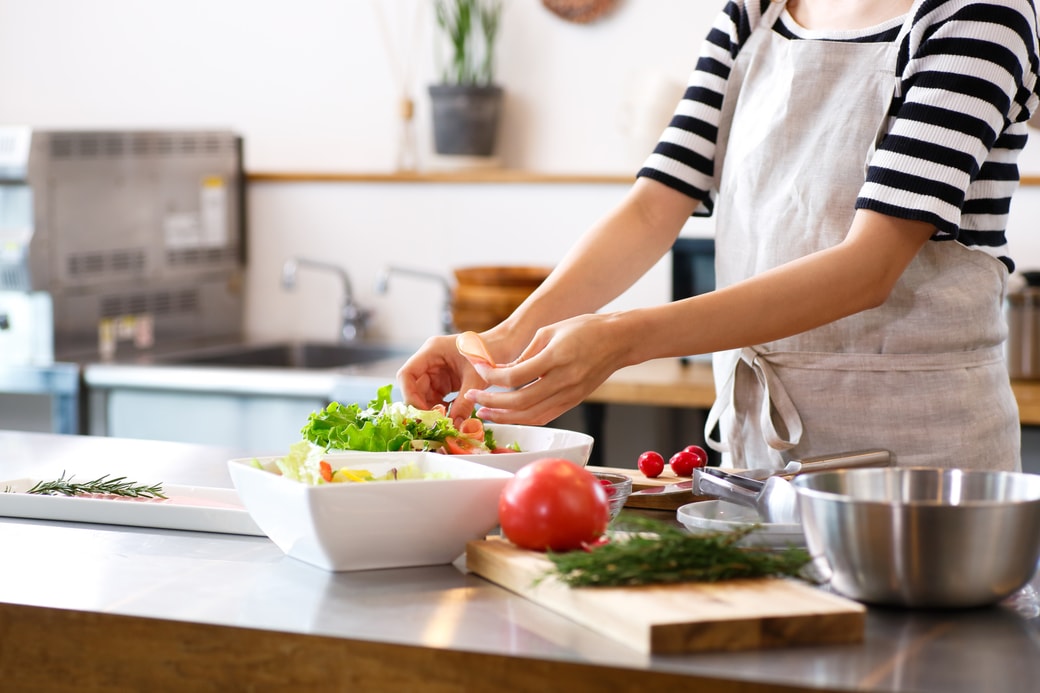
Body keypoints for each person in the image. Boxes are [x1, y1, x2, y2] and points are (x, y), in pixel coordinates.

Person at [399, 0, 1040, 471]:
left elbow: (867, 267)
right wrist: (498, 344)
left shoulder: (980, 14)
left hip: (922, 471)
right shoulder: (754, 12)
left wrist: (624, 338)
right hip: (756, 463)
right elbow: (654, 206)